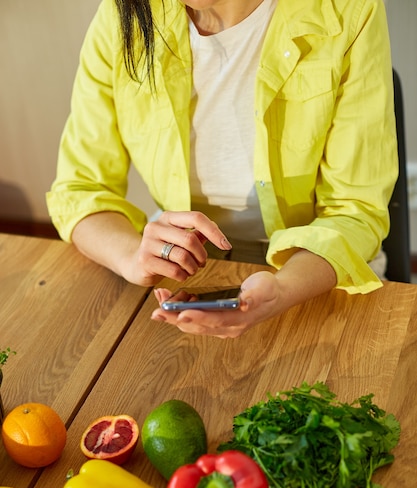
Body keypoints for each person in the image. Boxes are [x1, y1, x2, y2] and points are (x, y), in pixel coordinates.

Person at [46, 0, 398, 338]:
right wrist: (131, 256)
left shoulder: (350, 8)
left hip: (314, 271)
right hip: (183, 268)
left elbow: (355, 211)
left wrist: (284, 288)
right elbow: (81, 190)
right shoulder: (122, 14)